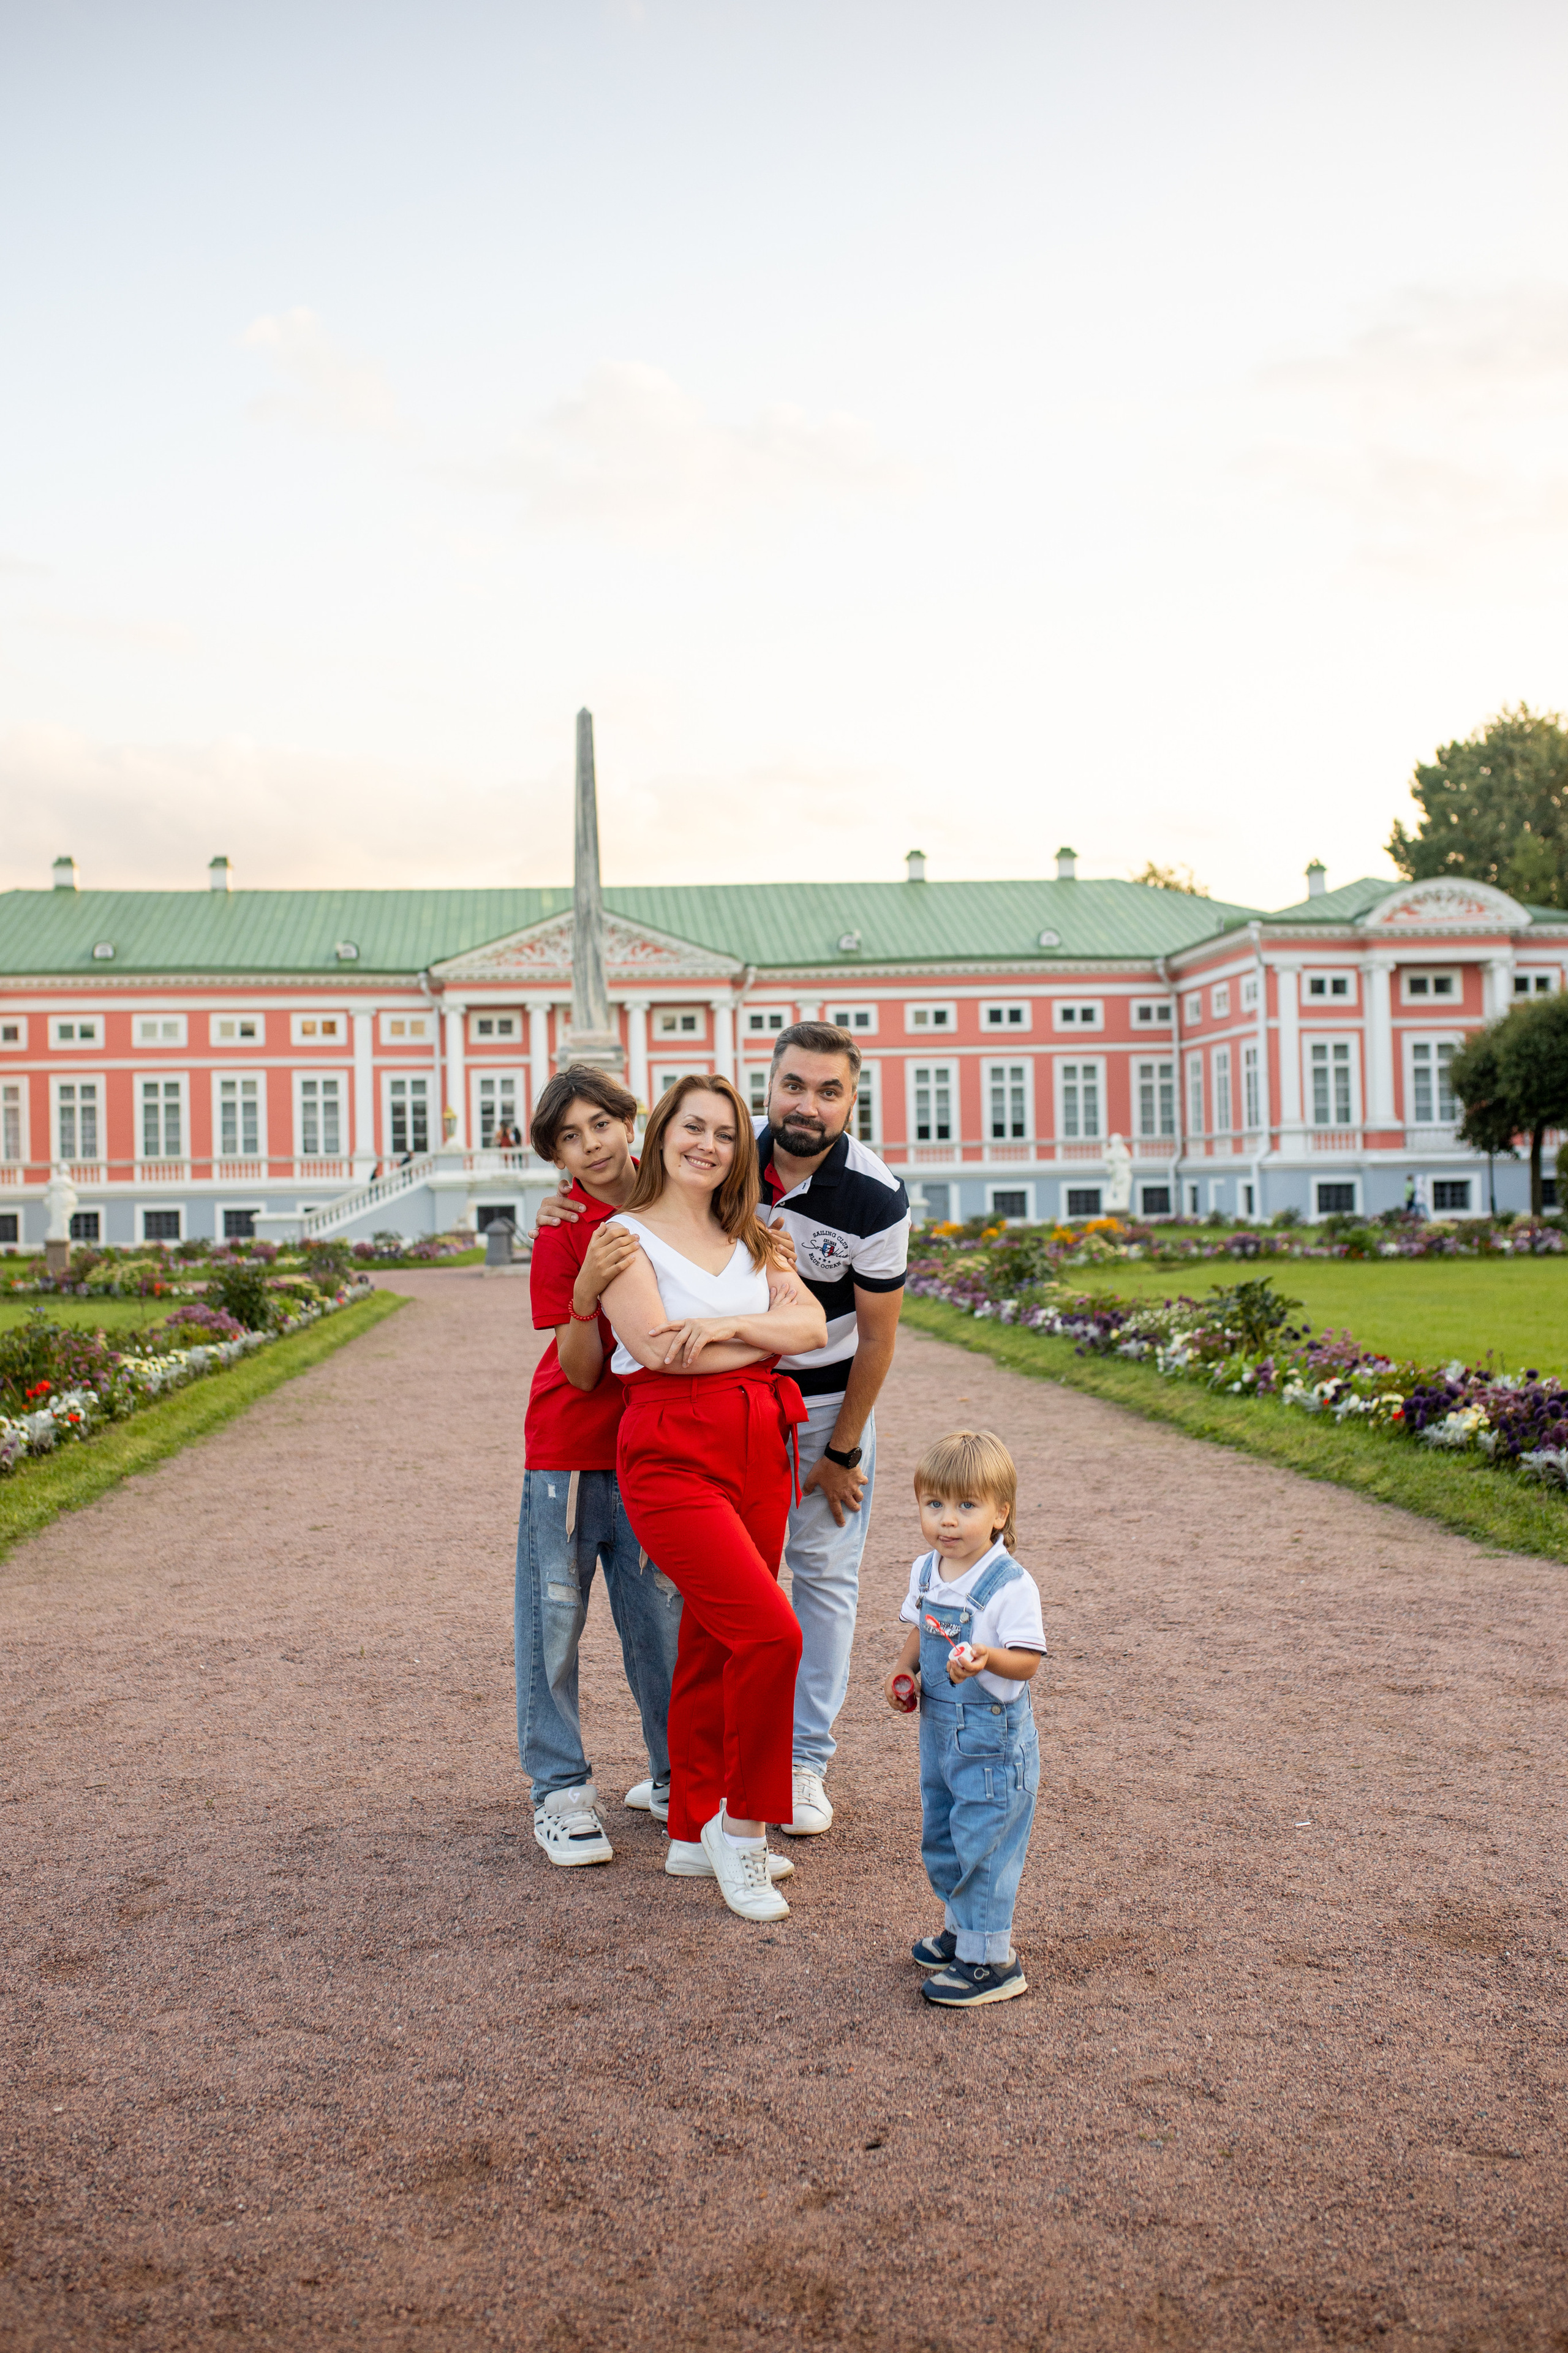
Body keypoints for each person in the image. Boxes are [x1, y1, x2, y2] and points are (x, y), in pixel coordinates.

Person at [532, 1021, 910, 1842]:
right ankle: (691, 1798)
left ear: (853, 1099)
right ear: (769, 1088)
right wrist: (569, 1205)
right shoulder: (704, 1162)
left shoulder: (870, 1195)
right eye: (793, 1086)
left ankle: (796, 1765)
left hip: (813, 1408)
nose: (808, 1104)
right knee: (706, 1613)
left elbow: (858, 1336)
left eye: (830, 1091)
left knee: (815, 1580)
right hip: (681, 1423)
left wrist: (843, 1445)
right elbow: (649, 1342)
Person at [599, 1073, 829, 1924]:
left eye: (727, 1134)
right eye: (693, 1127)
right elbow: (659, 1349)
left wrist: (730, 1327)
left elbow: (812, 1328)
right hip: (671, 1450)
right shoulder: (622, 1239)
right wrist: (763, 1340)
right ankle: (743, 1827)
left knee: (713, 1640)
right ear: (661, 1133)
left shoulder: (754, 1237)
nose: (708, 1144)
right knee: (772, 1632)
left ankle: (693, 1829)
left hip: (759, 1443)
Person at [516, 1066, 684, 1868]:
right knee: (553, 1624)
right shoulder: (562, 1230)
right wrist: (584, 1287)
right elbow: (581, 1372)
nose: (591, 1146)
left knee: (662, 1627)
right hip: (572, 1452)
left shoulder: (675, 1199)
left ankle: (677, 1776)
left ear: (630, 1121)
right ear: (556, 1155)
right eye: (569, 1137)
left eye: (601, 1125)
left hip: (654, 1449)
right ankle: (560, 1790)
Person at [883, 1430, 1046, 2007]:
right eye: (935, 1504)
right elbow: (921, 1626)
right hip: (940, 1734)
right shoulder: (928, 1570)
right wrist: (905, 1669)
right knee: (945, 1830)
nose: (947, 1520)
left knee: (984, 1839)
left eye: (966, 1505)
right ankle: (963, 1931)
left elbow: (1027, 1661)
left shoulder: (1010, 1584)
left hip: (991, 1742)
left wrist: (986, 1658)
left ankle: (992, 1960)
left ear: (1001, 1513)